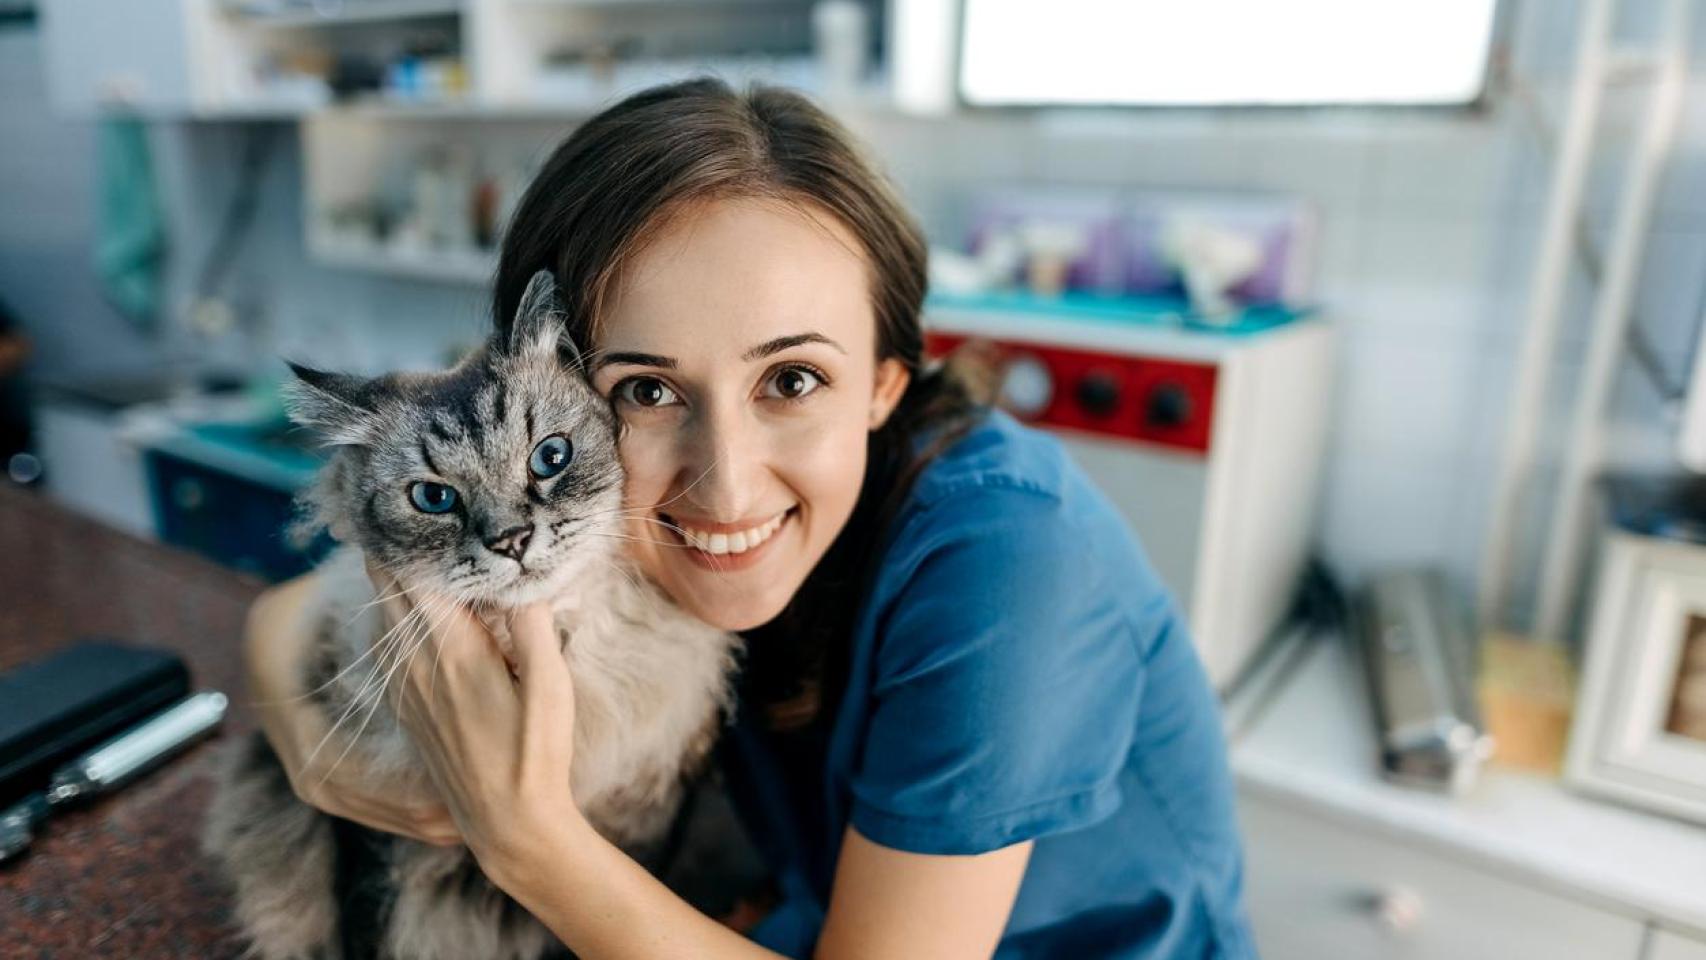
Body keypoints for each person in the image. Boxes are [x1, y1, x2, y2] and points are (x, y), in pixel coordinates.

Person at [244, 77, 1256, 959]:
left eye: (793, 378)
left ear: (883, 386)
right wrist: (311, 753)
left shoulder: (1010, 570)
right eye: (644, 391)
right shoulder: (572, 494)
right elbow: (291, 608)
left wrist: (520, 834)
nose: (724, 486)